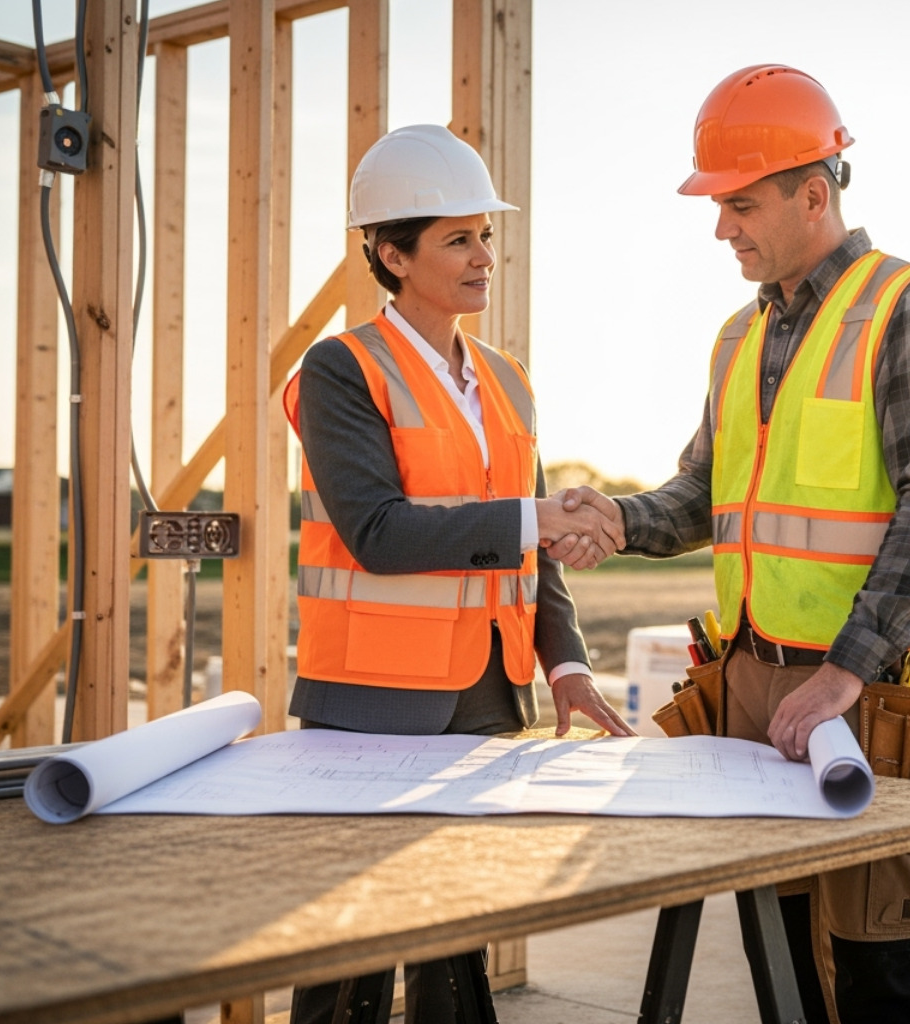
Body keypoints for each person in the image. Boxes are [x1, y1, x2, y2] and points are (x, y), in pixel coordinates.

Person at [557, 66, 910, 1023]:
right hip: (755, 689)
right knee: (782, 962)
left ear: (814, 193)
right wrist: (619, 519)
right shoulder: (735, 337)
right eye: (719, 207)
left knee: (881, 968)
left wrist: (844, 672)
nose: (723, 229)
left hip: (871, 691)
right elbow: (706, 494)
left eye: (740, 204)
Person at [283, 123, 635, 1024]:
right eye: (459, 239)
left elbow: (537, 548)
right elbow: (377, 532)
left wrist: (569, 666)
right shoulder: (340, 369)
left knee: (455, 932)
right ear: (392, 255)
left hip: (487, 692)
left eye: (487, 235)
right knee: (346, 951)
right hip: (368, 700)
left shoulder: (506, 379)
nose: (485, 257)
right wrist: (533, 519)